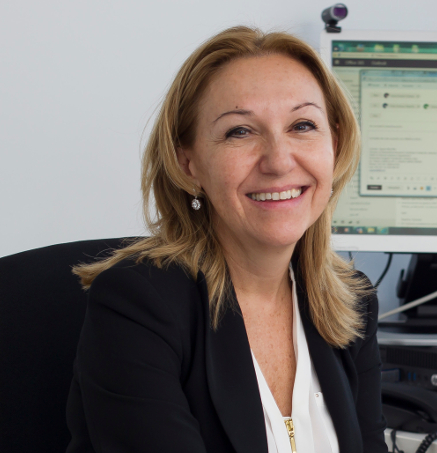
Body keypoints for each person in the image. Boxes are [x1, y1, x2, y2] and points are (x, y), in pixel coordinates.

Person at [65, 26, 387, 453]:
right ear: (189, 163)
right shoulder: (137, 306)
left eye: (303, 125)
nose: (278, 160)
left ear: (336, 144)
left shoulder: (350, 303)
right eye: (240, 131)